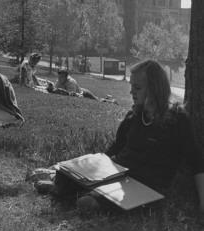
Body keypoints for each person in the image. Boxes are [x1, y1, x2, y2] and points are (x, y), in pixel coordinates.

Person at [39, 60, 204, 216]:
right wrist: (90, 170)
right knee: (64, 176)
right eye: (131, 86)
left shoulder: (177, 119)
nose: (131, 92)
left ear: (154, 88)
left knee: (86, 204)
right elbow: (114, 149)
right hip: (117, 175)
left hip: (146, 186)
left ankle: (76, 192)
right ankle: (65, 185)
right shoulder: (134, 115)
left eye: (137, 87)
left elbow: (196, 161)